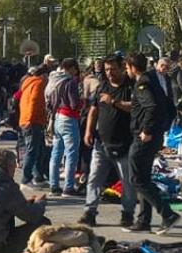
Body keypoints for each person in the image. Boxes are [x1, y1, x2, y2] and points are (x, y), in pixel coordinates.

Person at [125, 54, 182, 234]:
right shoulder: (153, 80)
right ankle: (144, 220)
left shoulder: (143, 84)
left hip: (144, 138)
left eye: (127, 67)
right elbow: (169, 107)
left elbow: (152, 107)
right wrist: (160, 130)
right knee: (144, 178)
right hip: (153, 136)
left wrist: (148, 130)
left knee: (136, 179)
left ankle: (167, 213)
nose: (126, 71)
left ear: (132, 67)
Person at [77, 56, 136, 228]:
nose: (110, 73)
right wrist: (88, 131)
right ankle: (89, 212)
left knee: (127, 181)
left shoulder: (131, 86)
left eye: (113, 69)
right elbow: (93, 110)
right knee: (94, 178)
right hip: (101, 143)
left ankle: (128, 213)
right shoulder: (102, 86)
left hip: (124, 144)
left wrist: (114, 102)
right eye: (107, 69)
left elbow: (135, 107)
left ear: (122, 68)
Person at [43, 58, 84, 196]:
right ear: (72, 68)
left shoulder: (53, 79)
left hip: (56, 118)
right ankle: (68, 187)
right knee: (71, 153)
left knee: (56, 153)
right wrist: (84, 101)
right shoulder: (70, 82)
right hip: (69, 118)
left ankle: (54, 186)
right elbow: (74, 104)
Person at [17, 62, 50, 187]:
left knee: (38, 150)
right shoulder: (39, 84)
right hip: (33, 121)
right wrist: (31, 119)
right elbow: (34, 101)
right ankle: (26, 179)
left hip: (26, 119)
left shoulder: (28, 83)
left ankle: (38, 176)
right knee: (32, 151)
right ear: (44, 75)